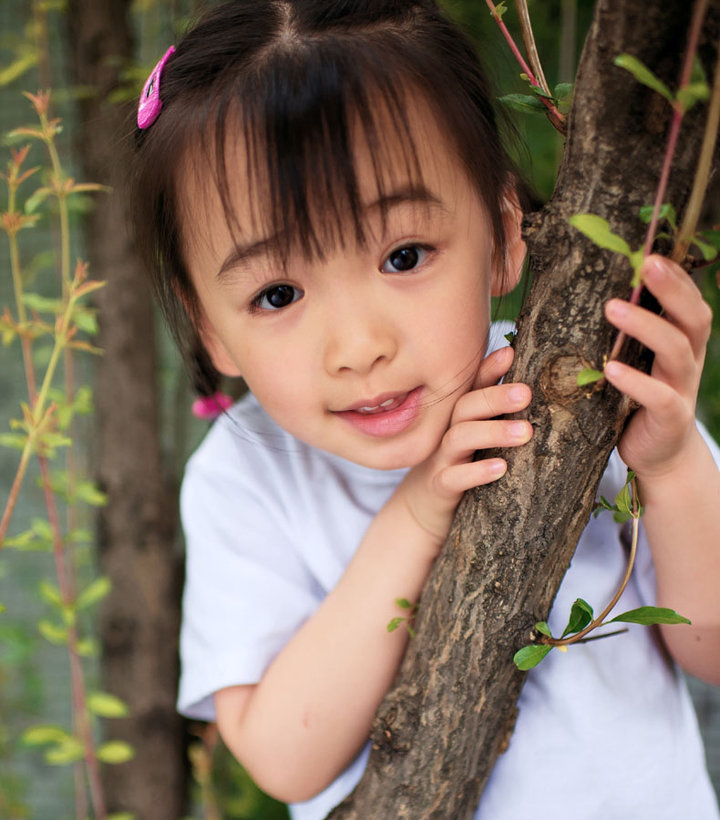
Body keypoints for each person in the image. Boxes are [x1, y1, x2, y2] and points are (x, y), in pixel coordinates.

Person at [130, 1, 720, 817]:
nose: (358, 345)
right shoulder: (247, 476)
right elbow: (282, 759)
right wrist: (415, 517)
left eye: (403, 254)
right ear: (212, 332)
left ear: (505, 232)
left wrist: (673, 463)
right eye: (277, 293)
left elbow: (711, 649)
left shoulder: (583, 377)